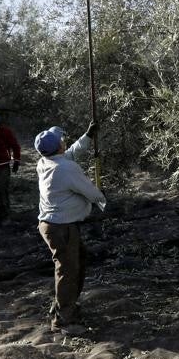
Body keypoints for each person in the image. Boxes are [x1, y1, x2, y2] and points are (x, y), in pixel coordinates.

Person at [35, 127, 106, 334]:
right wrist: (100, 195)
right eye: (61, 140)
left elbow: (71, 153)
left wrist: (88, 136)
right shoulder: (65, 169)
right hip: (61, 228)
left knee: (77, 263)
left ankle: (65, 307)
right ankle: (64, 320)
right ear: (58, 146)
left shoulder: (44, 162)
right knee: (68, 270)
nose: (64, 141)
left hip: (53, 226)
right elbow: (90, 192)